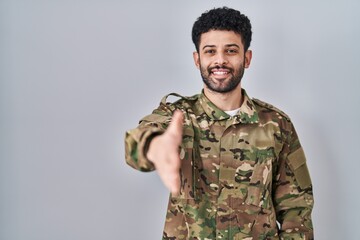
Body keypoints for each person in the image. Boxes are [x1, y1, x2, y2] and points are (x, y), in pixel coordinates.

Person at [125, 7, 314, 240]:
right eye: (210, 51)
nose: (220, 60)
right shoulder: (176, 116)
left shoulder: (276, 124)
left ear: (247, 58)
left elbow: (296, 207)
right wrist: (154, 146)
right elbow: (137, 142)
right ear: (197, 59)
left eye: (231, 51)